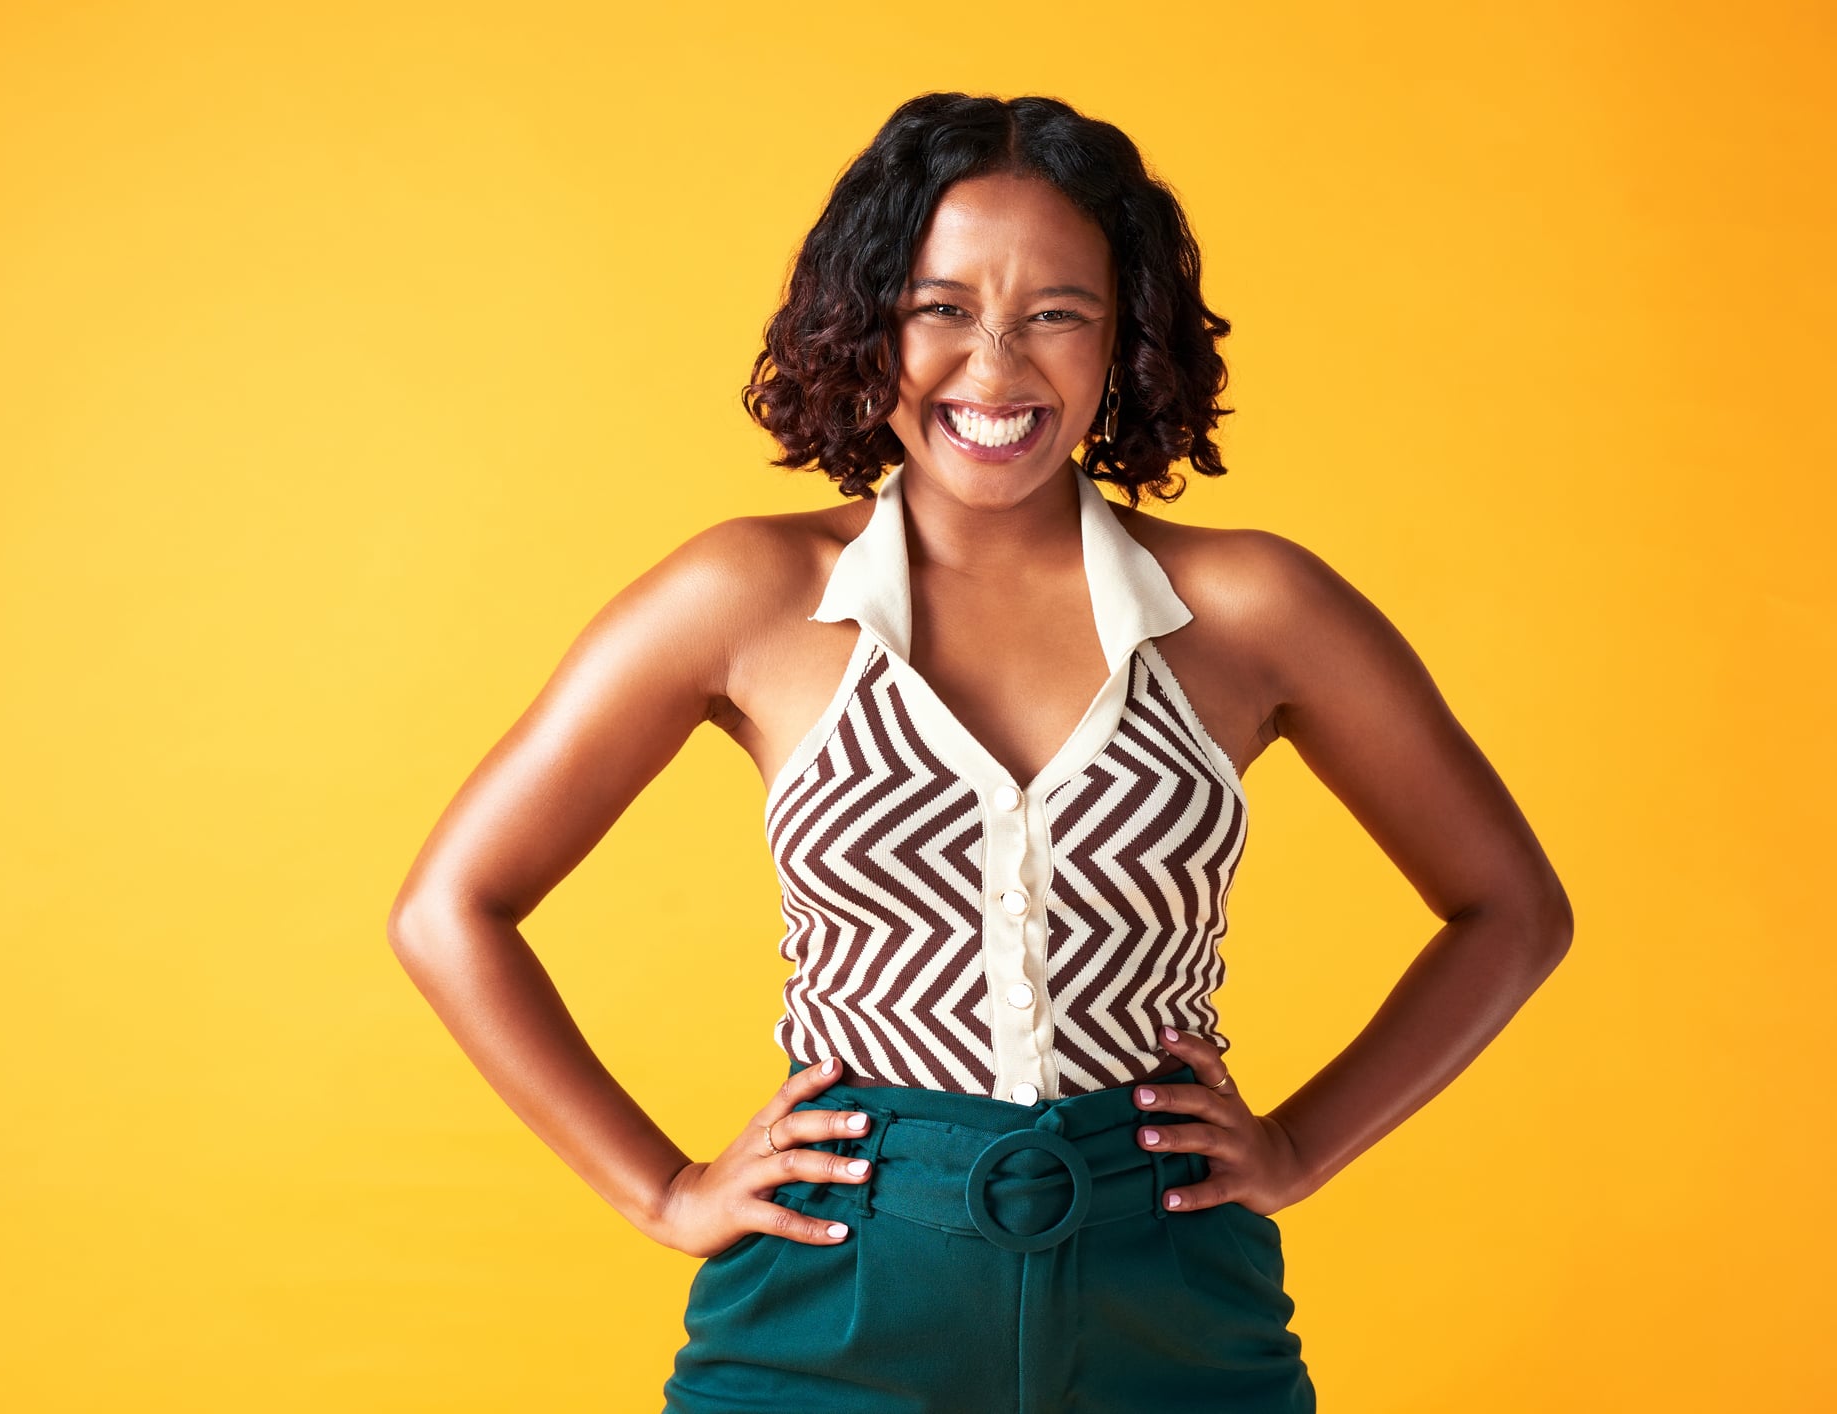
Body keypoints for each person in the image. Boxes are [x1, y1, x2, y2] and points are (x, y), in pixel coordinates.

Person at [386, 91, 1572, 1414]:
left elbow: (1511, 908)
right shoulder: (750, 597)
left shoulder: (1254, 609)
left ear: (1125, 336)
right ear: (866, 322)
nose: (995, 366)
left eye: (1056, 312)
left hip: (1174, 1297)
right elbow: (449, 908)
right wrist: (663, 1190)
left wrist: (1298, 1145)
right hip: (833, 1293)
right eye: (939, 307)